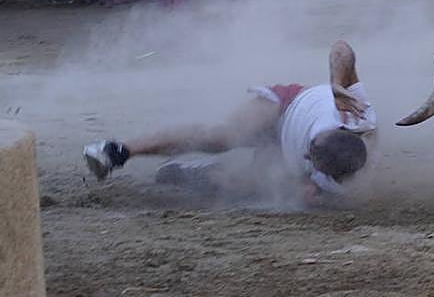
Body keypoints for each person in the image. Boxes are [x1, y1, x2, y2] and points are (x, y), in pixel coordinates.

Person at [83, 41, 378, 205]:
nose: (306, 153)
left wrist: (304, 190)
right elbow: (342, 49)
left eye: (311, 158)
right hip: (285, 108)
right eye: (311, 147)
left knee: (249, 188)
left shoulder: (338, 181)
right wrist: (337, 83)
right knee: (223, 137)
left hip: (285, 154)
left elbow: (310, 189)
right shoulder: (359, 114)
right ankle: (117, 151)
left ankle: (190, 173)